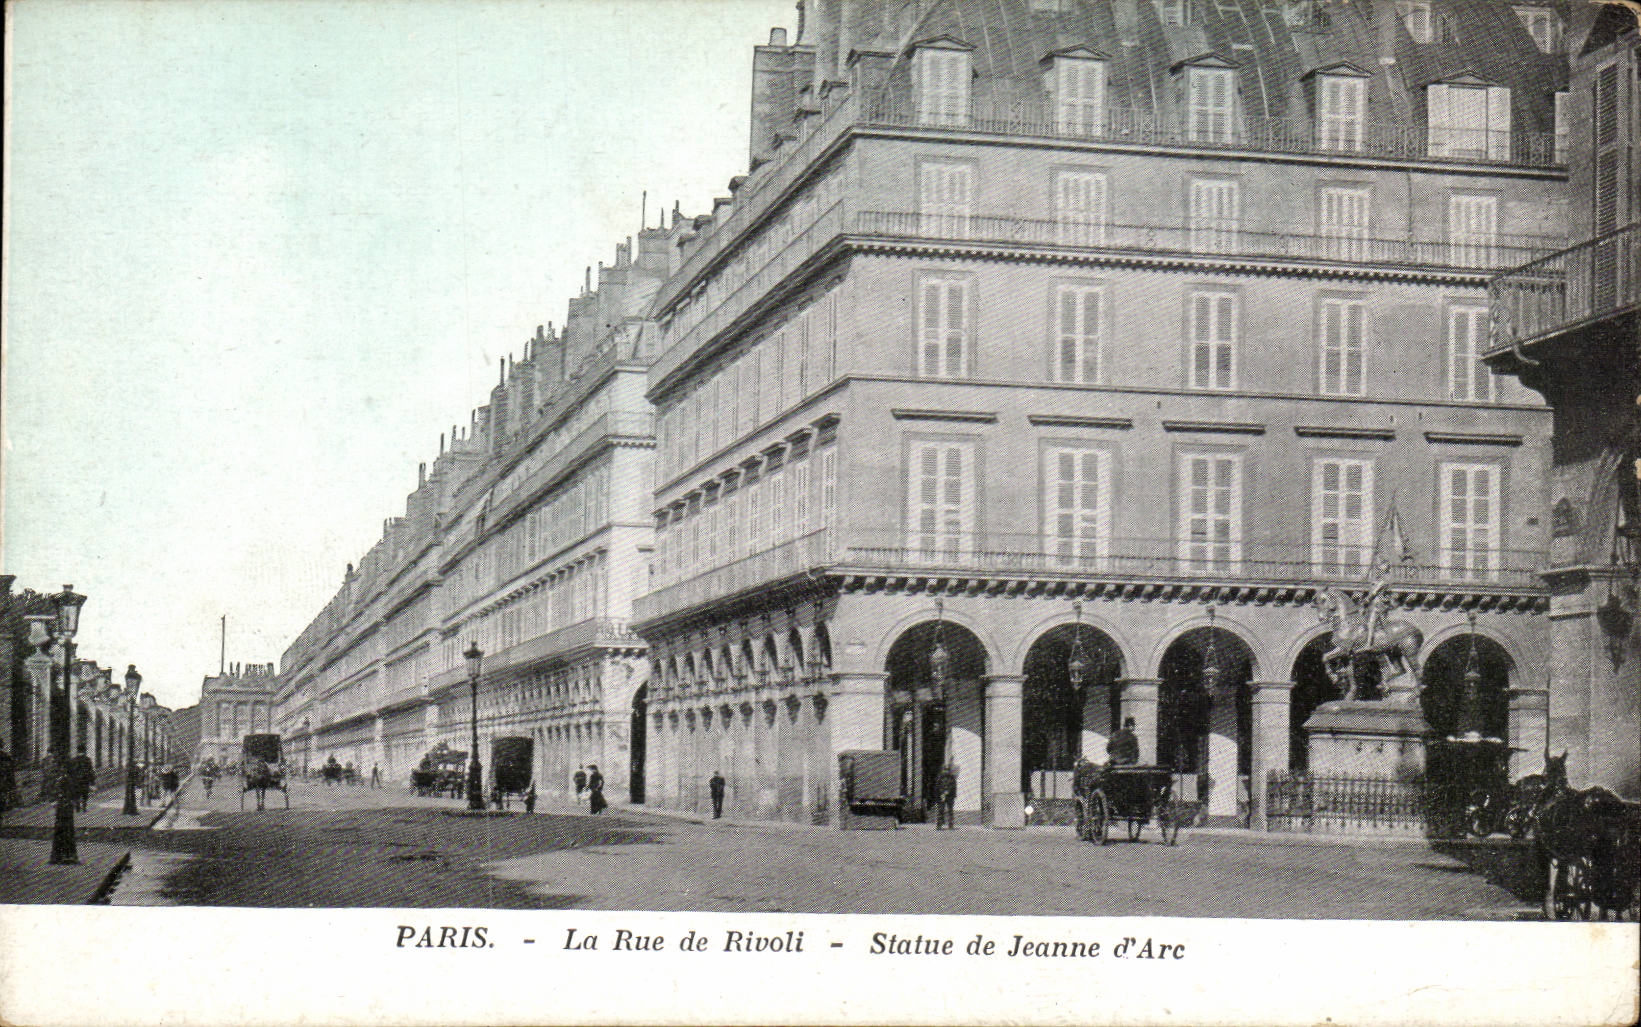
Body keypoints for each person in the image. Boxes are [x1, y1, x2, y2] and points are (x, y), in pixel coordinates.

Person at [69, 748, 96, 812]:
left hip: (76, 780)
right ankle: (84, 807)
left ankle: (77, 807)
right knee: (85, 794)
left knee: (77, 794)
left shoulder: (73, 760)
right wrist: (92, 781)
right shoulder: (87, 760)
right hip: (85, 780)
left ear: (77, 751)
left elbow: (70, 771)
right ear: (84, 751)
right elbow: (90, 771)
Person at [934, 764, 958, 830]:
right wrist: (940, 794)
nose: (946, 772)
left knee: (950, 811)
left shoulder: (952, 778)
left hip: (950, 796)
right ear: (943, 770)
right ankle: (939, 825)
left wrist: (949, 792)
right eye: (945, 770)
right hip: (941, 796)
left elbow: (953, 786)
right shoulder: (940, 777)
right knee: (940, 810)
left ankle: (950, 825)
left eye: (947, 770)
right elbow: (937, 787)